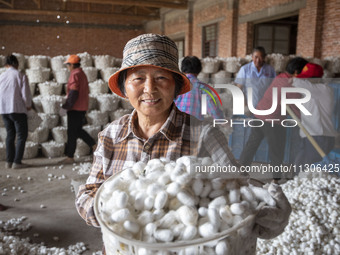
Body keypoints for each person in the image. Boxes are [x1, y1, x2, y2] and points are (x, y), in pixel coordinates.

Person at [75, 34, 291, 253]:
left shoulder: (205, 135)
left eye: (161, 78)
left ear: (176, 87)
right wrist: (109, 213)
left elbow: (240, 190)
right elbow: (89, 192)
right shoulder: (110, 136)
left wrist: (264, 212)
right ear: (124, 88)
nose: (149, 89)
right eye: (138, 79)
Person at [239, 57, 308, 176]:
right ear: (296, 72)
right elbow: (297, 108)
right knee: (277, 150)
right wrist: (307, 122)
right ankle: (275, 180)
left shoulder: (281, 77)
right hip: (272, 120)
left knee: (252, 144)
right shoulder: (291, 86)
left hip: (259, 114)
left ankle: (242, 171)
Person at [292, 63, 337, 166]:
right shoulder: (314, 91)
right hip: (310, 135)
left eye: (307, 78)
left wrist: (290, 74)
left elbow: (296, 82)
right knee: (299, 167)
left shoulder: (322, 89)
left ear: (316, 79)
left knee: (310, 170)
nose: (305, 81)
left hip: (319, 137)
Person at [60, 55, 96, 164]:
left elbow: (73, 92)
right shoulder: (82, 74)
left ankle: (70, 157)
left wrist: (66, 106)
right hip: (82, 107)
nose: (67, 67)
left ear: (71, 65)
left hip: (75, 108)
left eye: (68, 65)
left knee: (72, 132)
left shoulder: (75, 74)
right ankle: (94, 145)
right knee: (77, 130)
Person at [0, 54, 32, 169]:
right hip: (17, 109)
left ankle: (9, 161)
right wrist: (28, 105)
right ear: (16, 64)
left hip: (4, 110)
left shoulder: (1, 76)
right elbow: (25, 94)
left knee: (10, 134)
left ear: (6, 65)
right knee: (21, 135)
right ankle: (17, 162)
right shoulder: (20, 75)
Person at [174, 56, 225, 120]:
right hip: (194, 126)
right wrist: (221, 120)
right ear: (199, 70)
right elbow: (212, 108)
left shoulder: (176, 85)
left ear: (182, 69)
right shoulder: (202, 87)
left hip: (177, 124)